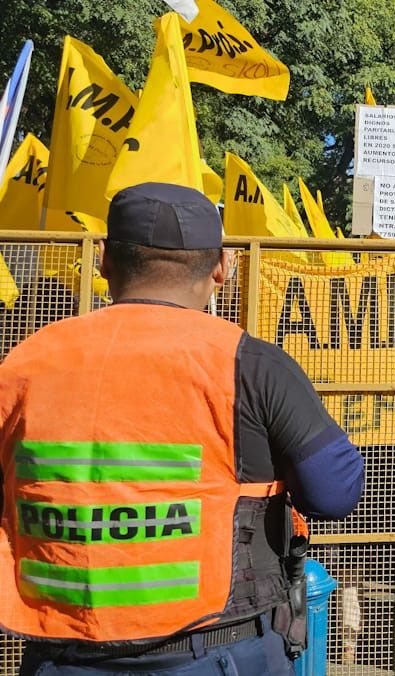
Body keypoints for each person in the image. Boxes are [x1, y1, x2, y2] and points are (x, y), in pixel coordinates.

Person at [0, 183, 365, 676]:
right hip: (220, 649)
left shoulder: (25, 361)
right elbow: (335, 493)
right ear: (222, 266)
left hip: (61, 653)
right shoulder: (251, 364)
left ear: (104, 260)